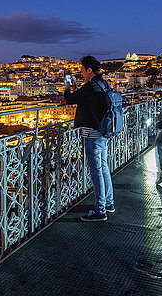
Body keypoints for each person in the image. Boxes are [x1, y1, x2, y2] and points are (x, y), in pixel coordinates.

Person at [64, 55, 114, 222]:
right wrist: (80, 88)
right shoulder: (103, 83)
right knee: (104, 167)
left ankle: (100, 210)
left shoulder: (91, 86)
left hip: (92, 133)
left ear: (89, 70)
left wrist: (67, 87)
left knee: (96, 171)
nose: (82, 73)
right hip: (103, 131)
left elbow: (70, 98)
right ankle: (109, 202)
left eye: (83, 70)